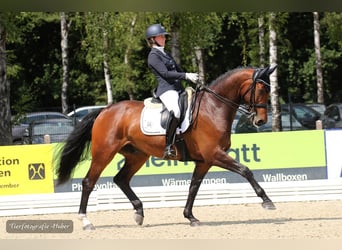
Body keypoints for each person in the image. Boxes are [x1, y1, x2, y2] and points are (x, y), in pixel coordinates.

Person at [146, 23, 199, 159]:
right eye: (161, 36)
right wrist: (185, 75)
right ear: (153, 39)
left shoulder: (166, 53)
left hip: (178, 88)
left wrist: (193, 79)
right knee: (175, 111)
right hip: (166, 89)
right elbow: (165, 73)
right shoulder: (153, 56)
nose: (164, 38)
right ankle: (168, 146)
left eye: (164, 36)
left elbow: (178, 70)